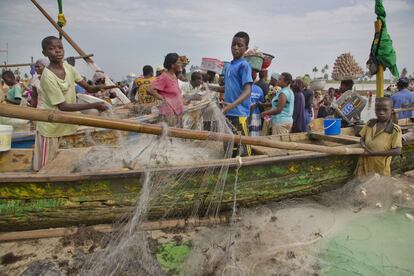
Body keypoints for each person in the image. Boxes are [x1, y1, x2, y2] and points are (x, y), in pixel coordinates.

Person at [34, 36, 109, 171]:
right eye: (51, 49)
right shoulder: (47, 77)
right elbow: (63, 106)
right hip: (50, 127)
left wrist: (98, 87)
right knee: (45, 168)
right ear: (44, 53)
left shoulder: (69, 68)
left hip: (67, 123)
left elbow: (89, 88)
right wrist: (93, 105)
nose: (57, 51)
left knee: (65, 164)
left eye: (60, 47)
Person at [211, 31, 253, 156]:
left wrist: (231, 105)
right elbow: (227, 88)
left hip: (239, 114)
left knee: (243, 147)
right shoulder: (229, 66)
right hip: (228, 113)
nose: (235, 47)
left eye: (239, 45)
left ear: (246, 48)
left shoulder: (244, 65)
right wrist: (211, 87)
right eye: (233, 44)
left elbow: (247, 90)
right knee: (229, 146)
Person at [355, 97, 402, 177]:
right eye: (378, 110)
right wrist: (363, 144)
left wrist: (372, 153)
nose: (381, 112)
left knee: (378, 186)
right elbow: (362, 137)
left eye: (385, 110)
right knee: (362, 187)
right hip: (364, 164)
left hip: (380, 168)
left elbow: (397, 151)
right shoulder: (370, 123)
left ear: (391, 111)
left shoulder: (395, 129)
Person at [148, 53, 184, 127]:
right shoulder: (164, 77)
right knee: (170, 135)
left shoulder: (174, 75)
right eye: (178, 62)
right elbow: (150, 89)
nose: (180, 64)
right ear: (172, 65)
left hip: (177, 111)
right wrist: (163, 99)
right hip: (168, 113)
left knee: (177, 135)